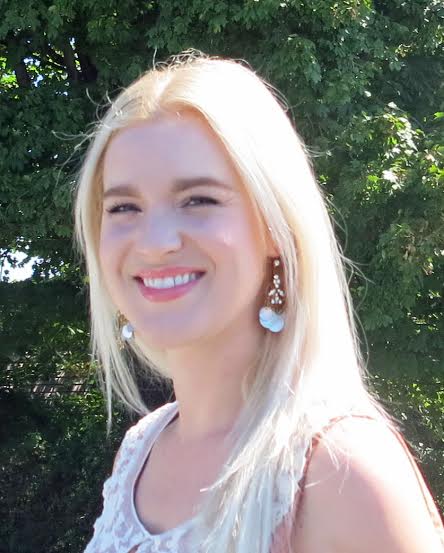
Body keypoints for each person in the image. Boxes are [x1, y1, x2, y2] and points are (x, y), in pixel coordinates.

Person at [73, 51, 444, 553]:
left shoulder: (339, 470)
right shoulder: (140, 450)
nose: (155, 242)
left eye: (198, 200)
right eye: (123, 207)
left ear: (274, 226)